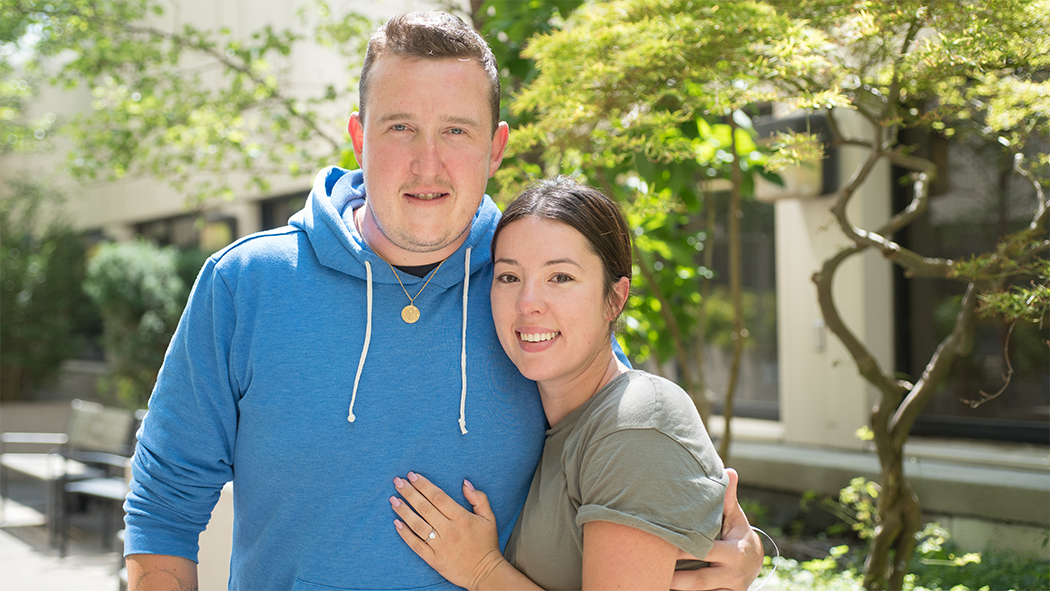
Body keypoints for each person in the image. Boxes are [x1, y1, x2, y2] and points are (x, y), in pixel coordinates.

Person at [123, 11, 762, 591]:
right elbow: (165, 502)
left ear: (495, 148)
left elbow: (623, 443)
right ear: (360, 139)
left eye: (456, 131)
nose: (427, 165)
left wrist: (736, 549)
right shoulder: (247, 283)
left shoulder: (526, 291)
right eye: (400, 127)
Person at [388, 177, 729, 591]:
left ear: (615, 299)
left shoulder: (636, 423)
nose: (528, 302)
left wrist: (482, 570)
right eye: (509, 277)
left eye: (561, 277)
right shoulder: (554, 423)